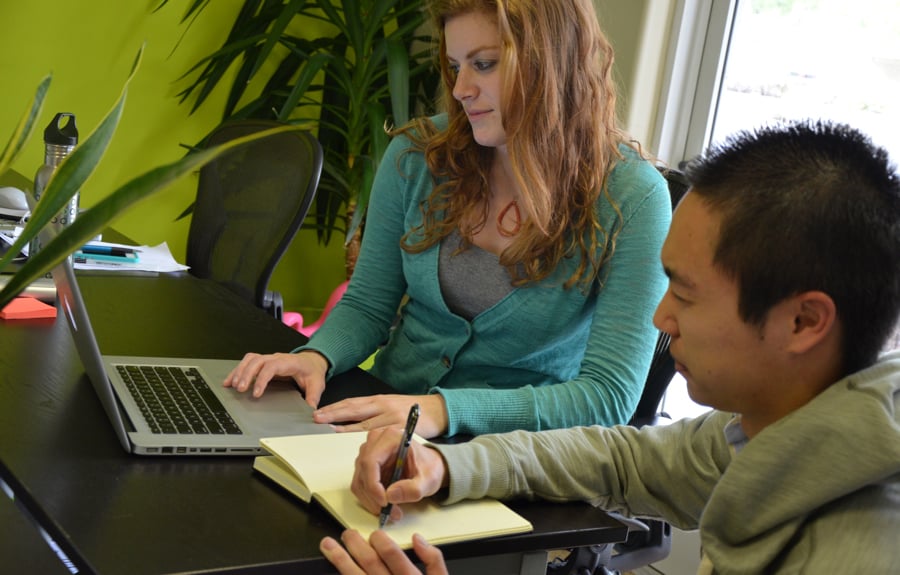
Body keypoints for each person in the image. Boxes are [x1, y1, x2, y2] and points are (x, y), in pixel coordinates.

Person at [319, 119, 900, 574]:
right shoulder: (765, 430)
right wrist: (444, 463)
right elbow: (621, 458)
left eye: (687, 294)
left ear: (803, 321)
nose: (660, 316)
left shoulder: (858, 552)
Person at [224, 0, 671, 438]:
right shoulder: (417, 157)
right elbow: (367, 305)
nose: (460, 89)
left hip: (514, 459)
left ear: (551, 62)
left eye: (484, 63)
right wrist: (316, 357)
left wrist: (442, 410)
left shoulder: (632, 198)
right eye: (456, 66)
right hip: (381, 419)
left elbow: (608, 396)